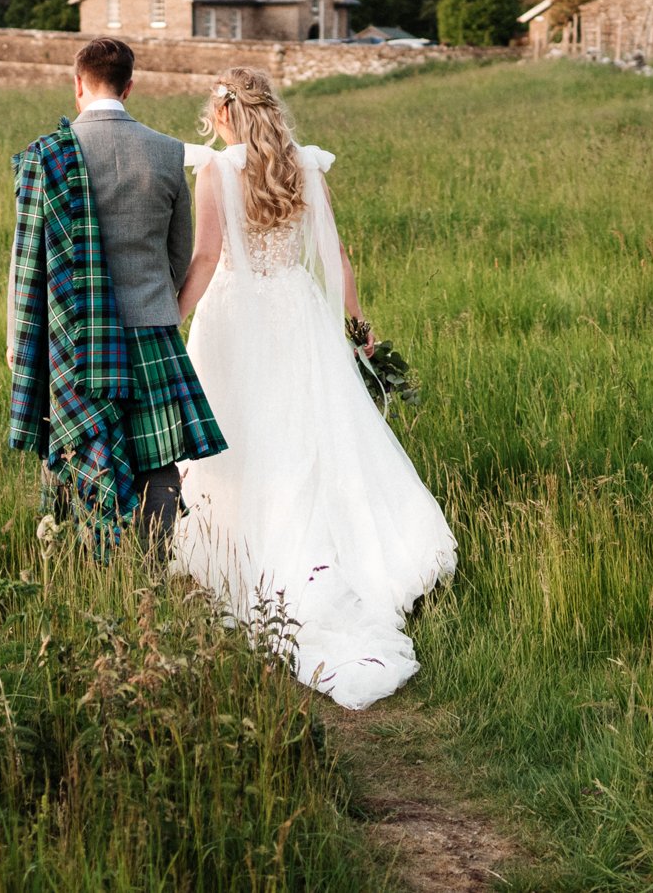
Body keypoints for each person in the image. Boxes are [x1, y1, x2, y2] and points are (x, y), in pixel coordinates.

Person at [172, 66, 456, 708]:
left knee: (240, 430)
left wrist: (174, 316)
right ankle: (333, 549)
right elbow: (337, 254)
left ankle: (244, 544)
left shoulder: (217, 171)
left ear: (223, 113)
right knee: (306, 429)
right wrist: (358, 325)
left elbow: (209, 257)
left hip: (236, 315)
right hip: (297, 311)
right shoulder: (306, 165)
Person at [5, 37, 226, 549]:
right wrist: (157, 305)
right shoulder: (168, 152)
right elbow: (179, 254)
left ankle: (79, 559)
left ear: (77, 83)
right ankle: (154, 567)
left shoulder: (46, 156)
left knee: (72, 441)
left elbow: (27, 262)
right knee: (155, 454)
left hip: (72, 333)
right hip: (151, 327)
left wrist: (20, 340)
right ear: (129, 86)